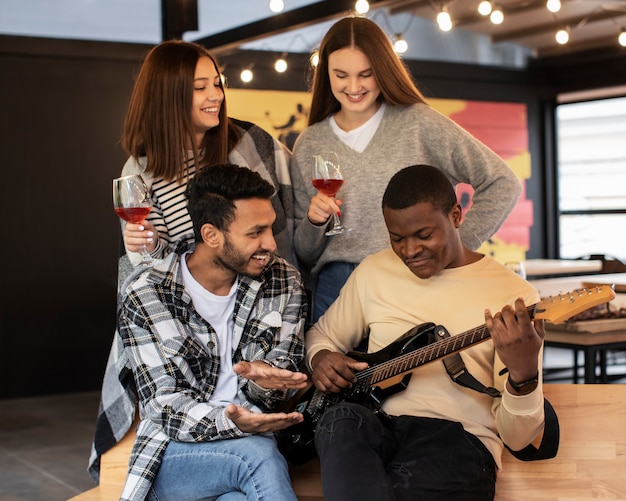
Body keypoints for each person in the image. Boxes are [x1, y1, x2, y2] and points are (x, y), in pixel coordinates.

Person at [305, 164, 545, 501]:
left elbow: (519, 439)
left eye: (423, 235)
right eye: (397, 238)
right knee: (339, 420)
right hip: (380, 426)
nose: (409, 251)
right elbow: (321, 337)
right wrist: (321, 357)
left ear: (456, 216)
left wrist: (523, 374)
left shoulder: (514, 298)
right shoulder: (374, 271)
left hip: (459, 441)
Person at [291, 16, 523, 322]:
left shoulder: (418, 123)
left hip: (407, 278)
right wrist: (314, 221)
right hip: (336, 287)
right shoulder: (310, 143)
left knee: (413, 371)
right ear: (326, 75)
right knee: (328, 368)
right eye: (341, 75)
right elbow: (304, 253)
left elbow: (503, 182)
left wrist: (452, 247)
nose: (354, 86)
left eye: (366, 74)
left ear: (383, 71)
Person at [115, 164, 308, 501]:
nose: (271, 244)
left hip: (255, 448)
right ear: (211, 235)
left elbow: (280, 380)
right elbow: (166, 406)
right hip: (175, 455)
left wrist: (266, 384)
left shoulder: (283, 281)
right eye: (255, 232)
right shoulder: (148, 293)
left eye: (271, 229)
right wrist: (233, 423)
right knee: (254, 454)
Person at [120, 39, 295, 268]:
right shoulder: (139, 172)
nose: (217, 96)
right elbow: (148, 272)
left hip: (271, 295)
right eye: (200, 87)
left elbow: (296, 219)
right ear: (168, 96)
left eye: (217, 84)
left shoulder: (251, 141)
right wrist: (149, 246)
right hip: (190, 302)